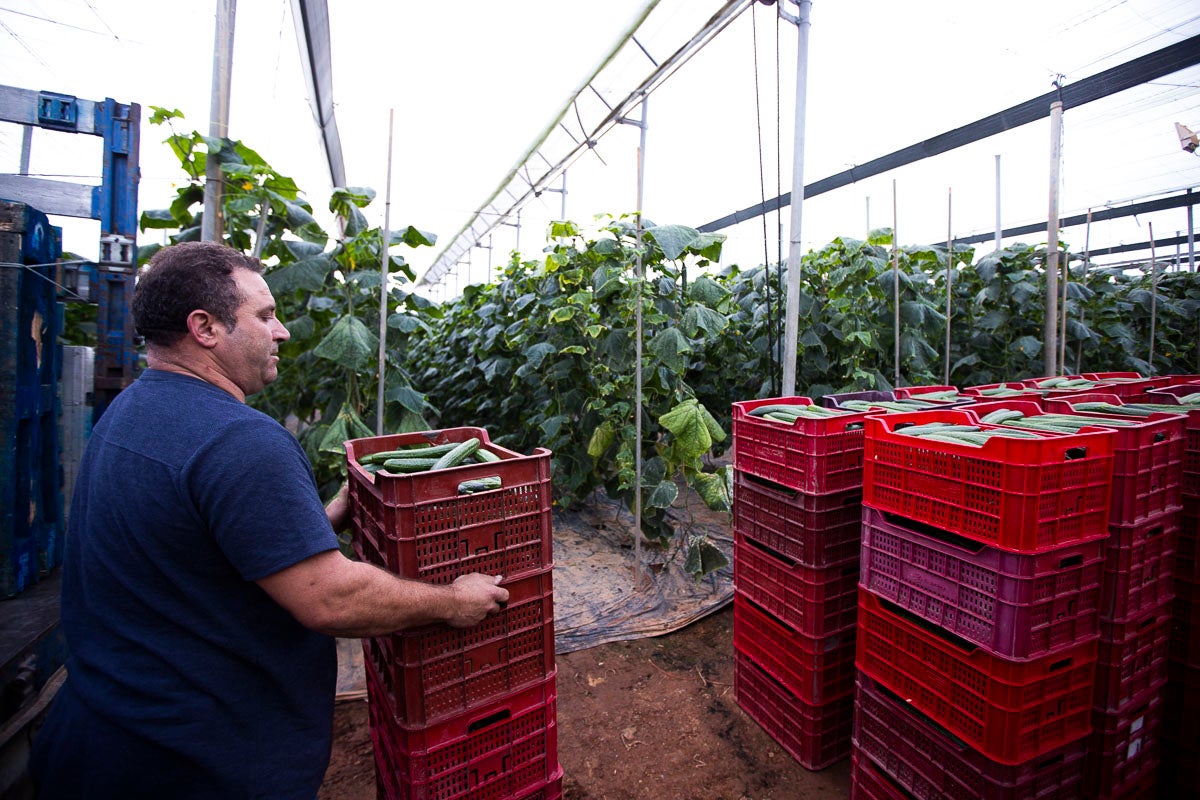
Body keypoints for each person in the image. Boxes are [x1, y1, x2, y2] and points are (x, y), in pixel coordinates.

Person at [28, 240, 509, 799]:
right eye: (264, 316)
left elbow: (197, 552)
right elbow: (332, 600)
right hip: (198, 765)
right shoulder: (240, 439)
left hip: (106, 742)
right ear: (205, 328)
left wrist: (314, 522)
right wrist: (454, 602)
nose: (280, 331)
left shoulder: (130, 412)